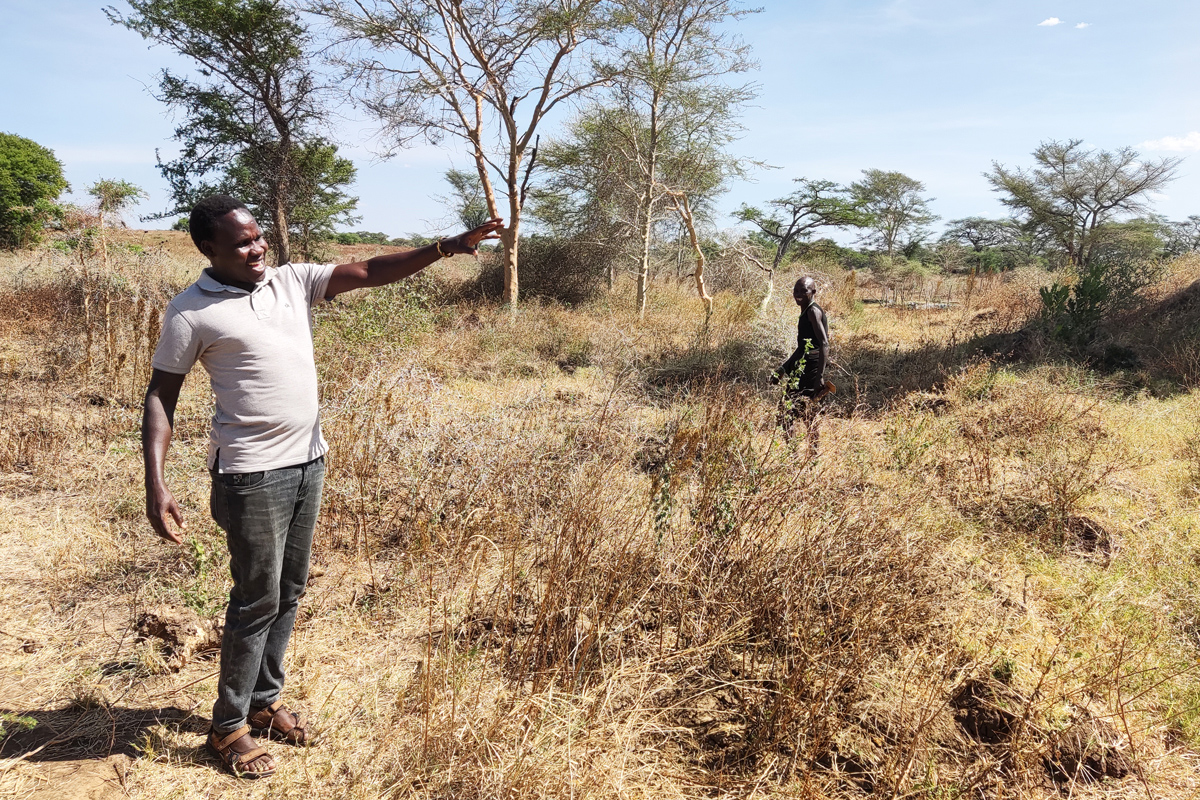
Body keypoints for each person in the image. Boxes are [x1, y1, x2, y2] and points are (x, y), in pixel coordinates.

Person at [141, 194, 503, 778]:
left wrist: (445, 247)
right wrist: (156, 484)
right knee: (255, 599)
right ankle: (227, 726)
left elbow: (368, 271)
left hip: (309, 461)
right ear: (209, 250)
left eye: (258, 236)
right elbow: (161, 395)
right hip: (250, 473)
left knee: (289, 590)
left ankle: (263, 704)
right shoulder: (191, 312)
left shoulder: (290, 282)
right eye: (241, 242)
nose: (257, 248)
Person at [771, 276, 830, 450]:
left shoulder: (813, 311)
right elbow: (802, 348)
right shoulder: (806, 311)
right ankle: (802, 457)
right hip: (802, 367)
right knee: (800, 413)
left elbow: (824, 344)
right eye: (796, 290)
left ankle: (802, 457)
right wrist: (783, 369)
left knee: (790, 413)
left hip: (810, 369)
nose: (798, 294)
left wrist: (819, 376)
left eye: (803, 290)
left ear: (813, 292)